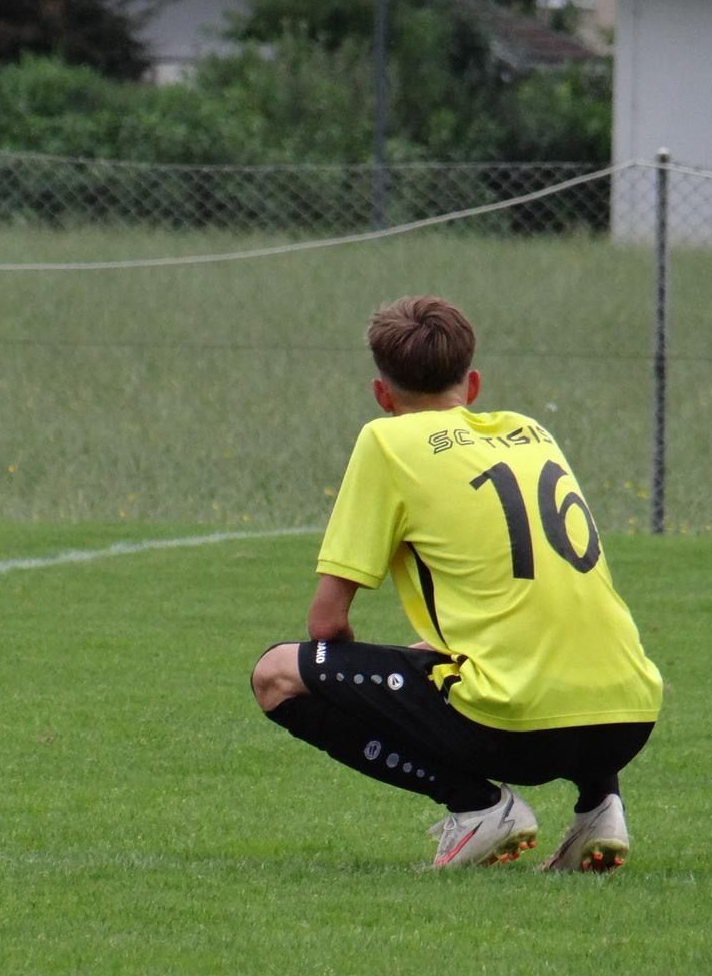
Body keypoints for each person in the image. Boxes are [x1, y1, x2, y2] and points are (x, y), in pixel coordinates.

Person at [250, 295, 663, 871]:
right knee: (557, 647)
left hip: (517, 728)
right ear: (471, 386)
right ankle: (600, 805)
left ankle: (478, 806)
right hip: (630, 715)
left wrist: (392, 684)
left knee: (276, 674)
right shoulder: (530, 431)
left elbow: (326, 623)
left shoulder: (386, 441)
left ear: (382, 394)